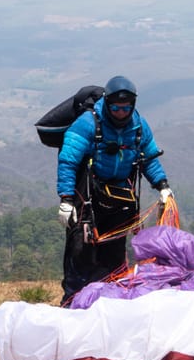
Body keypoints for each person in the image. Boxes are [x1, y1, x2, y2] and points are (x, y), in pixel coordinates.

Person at [56, 75, 172, 305]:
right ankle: (73, 301)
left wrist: (162, 185)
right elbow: (68, 161)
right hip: (87, 195)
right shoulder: (89, 123)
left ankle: (108, 300)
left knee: (115, 251)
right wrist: (66, 199)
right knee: (81, 250)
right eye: (116, 107)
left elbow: (149, 158)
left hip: (119, 197)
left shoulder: (138, 126)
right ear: (107, 103)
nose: (120, 112)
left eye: (125, 108)